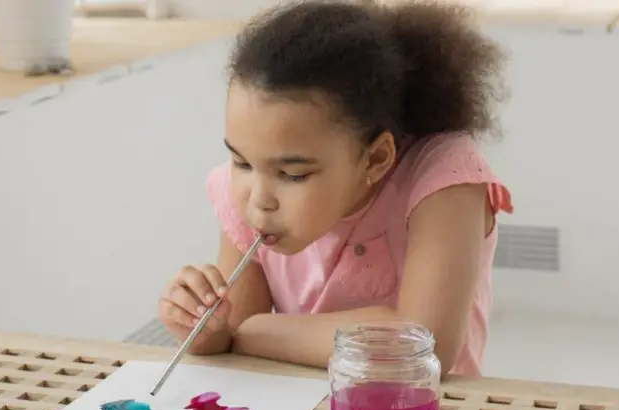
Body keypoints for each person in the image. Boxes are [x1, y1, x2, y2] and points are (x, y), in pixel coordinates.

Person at [157, 0, 513, 377]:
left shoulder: (445, 176)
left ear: (376, 159)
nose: (259, 200)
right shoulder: (245, 194)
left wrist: (254, 331)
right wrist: (205, 331)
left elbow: (424, 345)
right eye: (242, 162)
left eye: (293, 175)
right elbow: (231, 339)